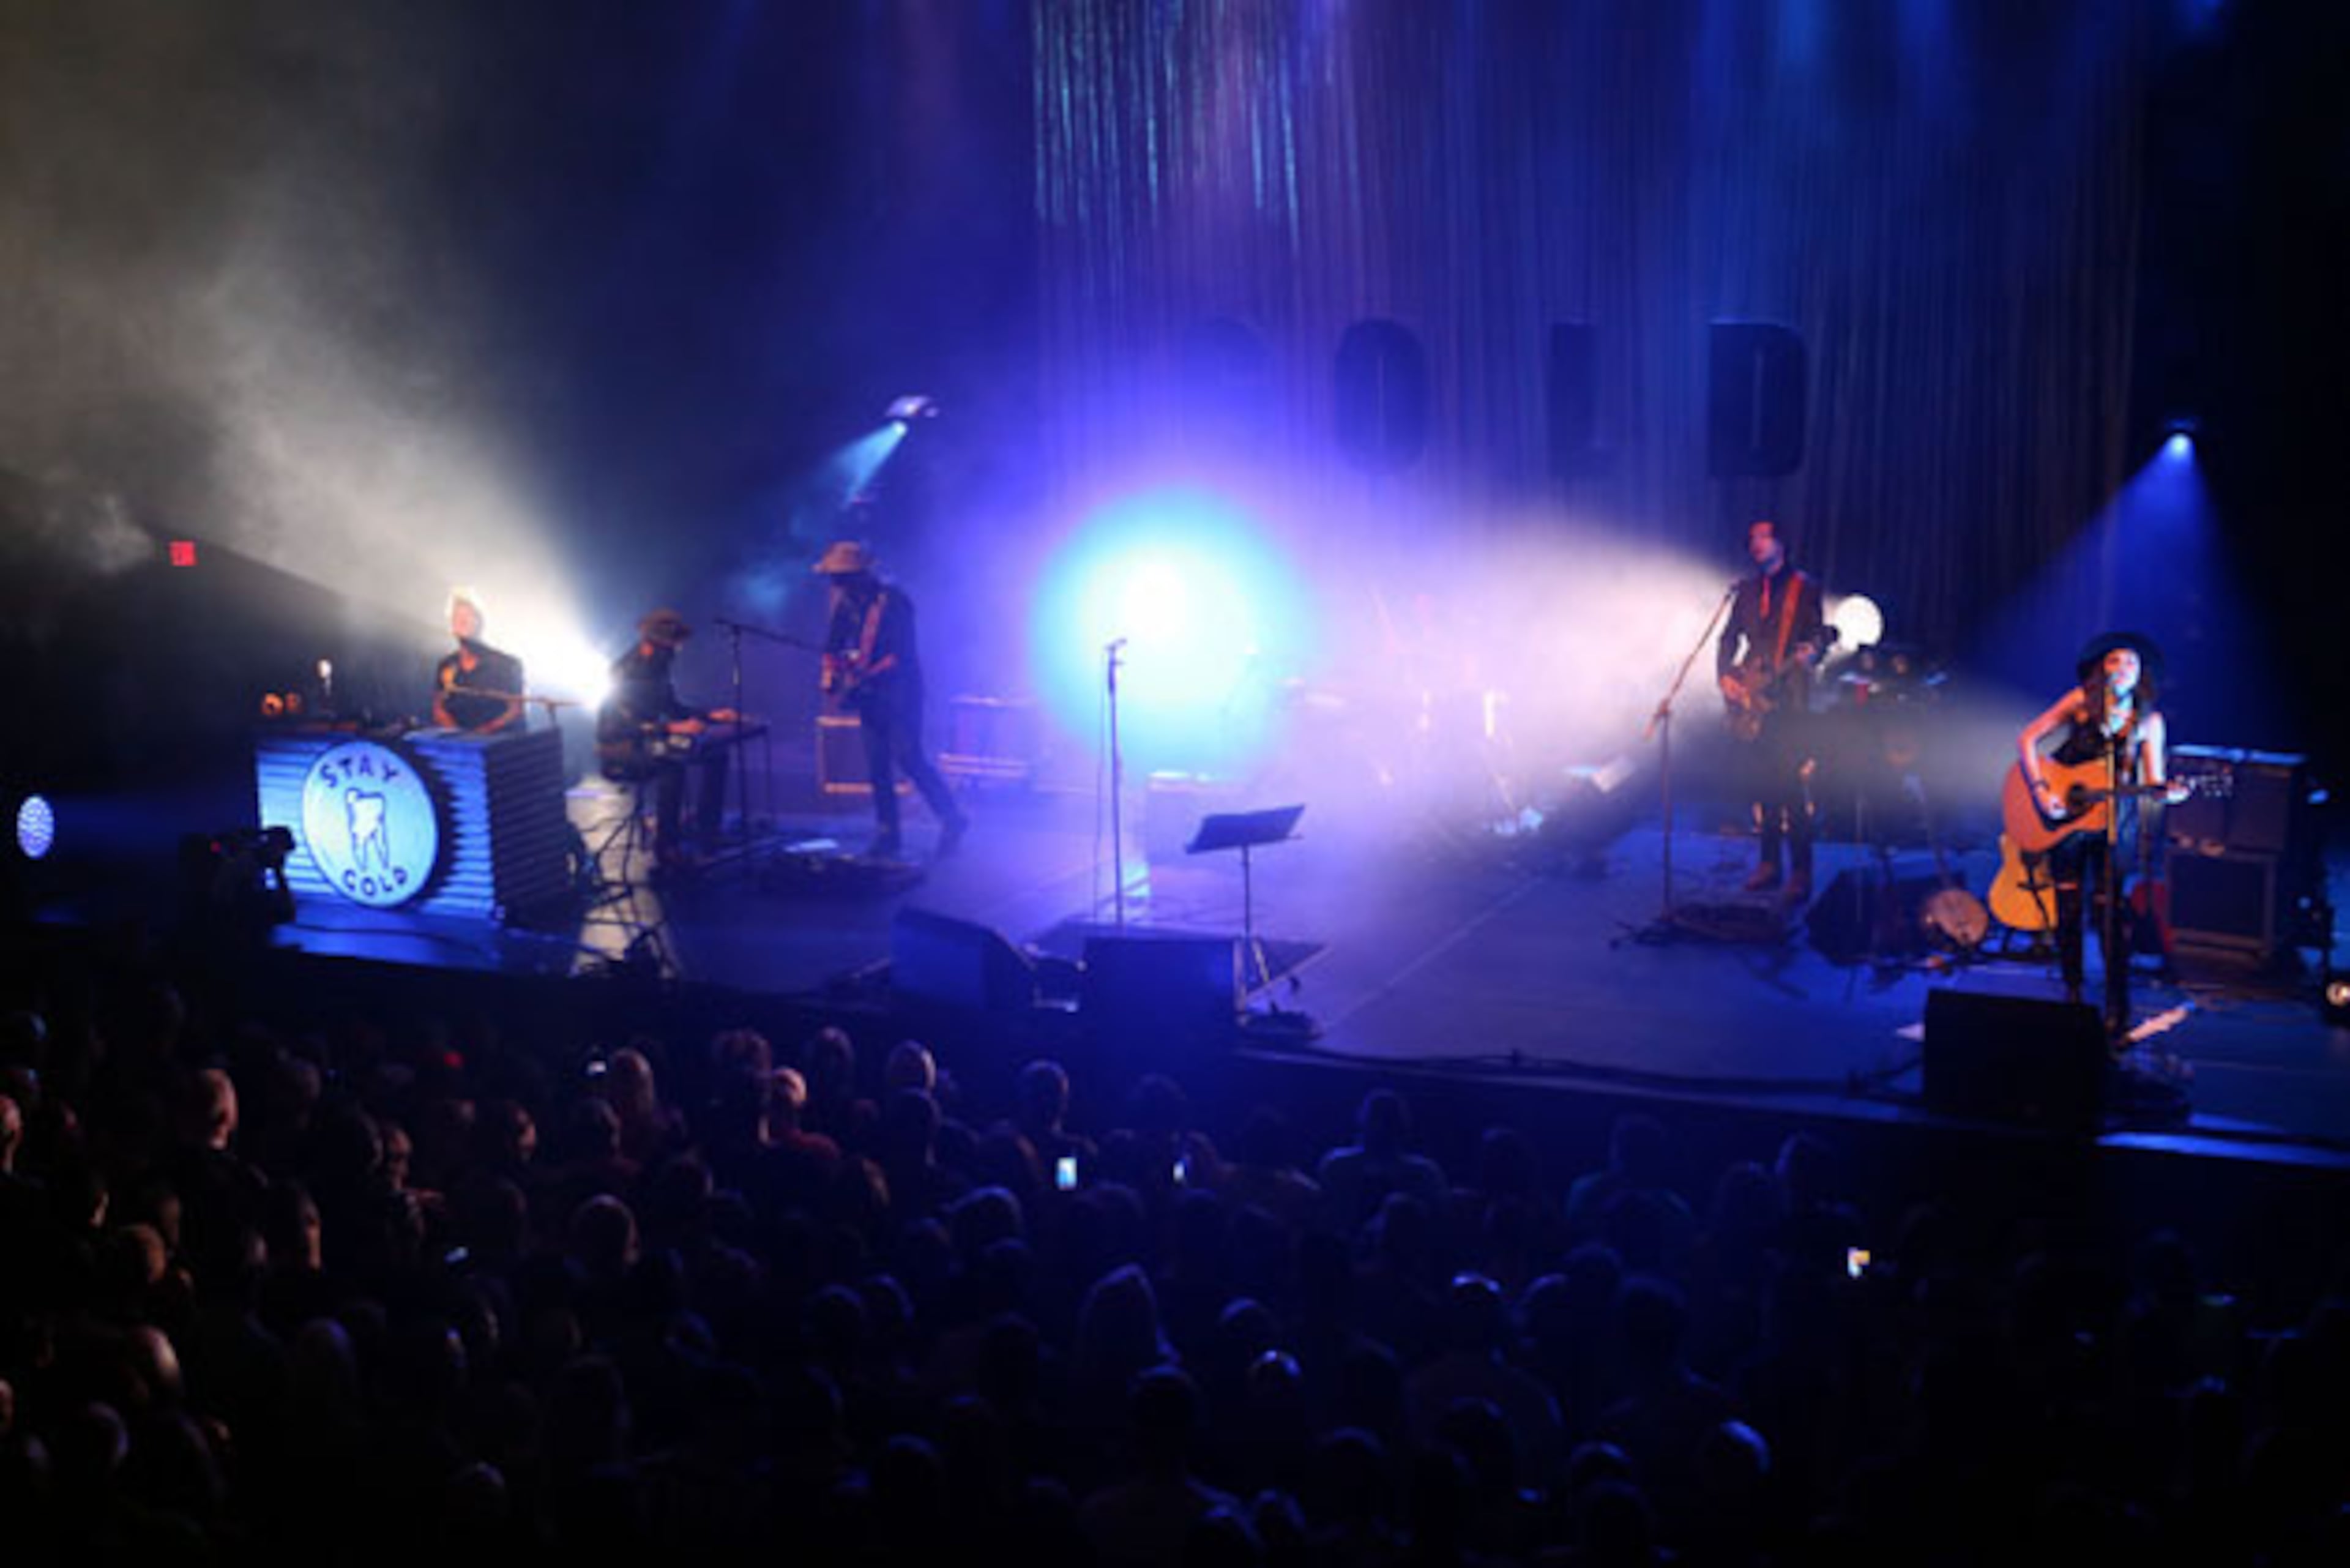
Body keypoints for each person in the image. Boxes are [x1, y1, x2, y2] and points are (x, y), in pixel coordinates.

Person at [2015, 630, 2187, 1017]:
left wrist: (2167, 792)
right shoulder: (2080, 703)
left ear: (2141, 673)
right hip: (2068, 821)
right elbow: (2027, 738)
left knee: (2110, 911)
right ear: (2100, 670)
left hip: (2115, 823)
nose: (2123, 669)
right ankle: (2073, 989)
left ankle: (2116, 1004)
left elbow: (2154, 779)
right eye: (2114, 661)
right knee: (2069, 906)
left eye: (2131, 663)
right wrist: (2042, 790)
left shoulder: (2149, 721)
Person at [814, 540, 968, 859]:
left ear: (859, 575)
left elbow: (901, 655)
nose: (836, 585)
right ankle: (888, 836)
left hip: (900, 693)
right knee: (877, 767)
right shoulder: (846, 605)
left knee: (909, 757)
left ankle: (952, 817)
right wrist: (831, 673)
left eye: (840, 578)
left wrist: (863, 673)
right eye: (833, 579)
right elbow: (832, 644)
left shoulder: (895, 603)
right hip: (868, 693)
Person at [1715, 519, 1826, 898]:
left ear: (1782, 542)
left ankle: (1802, 871)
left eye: (1764, 536)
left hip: (1789, 700)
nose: (1756, 544)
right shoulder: (1745, 590)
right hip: (1753, 699)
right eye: (1752, 539)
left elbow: (1818, 635)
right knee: (1764, 786)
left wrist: (1813, 652)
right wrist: (1726, 677)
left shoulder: (1805, 588)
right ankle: (1769, 864)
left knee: (1792, 788)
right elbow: (1728, 638)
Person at [596, 608, 740, 867]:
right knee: (671, 768)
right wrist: (673, 729)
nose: (673, 654)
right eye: (669, 649)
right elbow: (623, 726)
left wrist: (710, 715)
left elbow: (673, 707)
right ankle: (667, 846)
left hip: (649, 739)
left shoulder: (658, 669)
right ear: (650, 646)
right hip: (621, 747)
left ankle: (708, 834)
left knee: (717, 754)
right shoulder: (624, 673)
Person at [431, 591, 526, 734]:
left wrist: (483, 732)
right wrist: (459, 735)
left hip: (498, 745)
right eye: (457, 617)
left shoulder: (506, 664)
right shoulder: (447, 665)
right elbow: (439, 708)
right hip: (459, 747)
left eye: (468, 616)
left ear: (480, 622)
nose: (462, 621)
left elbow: (516, 710)